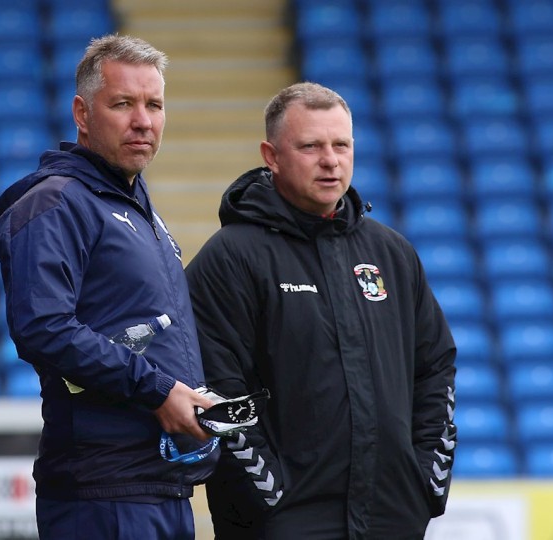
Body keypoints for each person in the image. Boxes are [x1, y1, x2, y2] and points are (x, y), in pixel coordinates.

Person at [185, 82, 458, 539]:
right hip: (282, 523)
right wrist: (270, 499)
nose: (330, 160)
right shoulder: (230, 258)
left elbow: (434, 367)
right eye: (310, 146)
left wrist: (426, 481)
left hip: (392, 517)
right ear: (271, 156)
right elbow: (216, 388)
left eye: (341, 145)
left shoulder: (392, 253)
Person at [0, 34, 218, 539]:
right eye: (122, 104)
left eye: (154, 105)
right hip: (103, 491)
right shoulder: (55, 204)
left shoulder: (136, 208)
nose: (143, 121)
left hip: (158, 483)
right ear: (82, 112)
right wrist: (157, 389)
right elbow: (43, 328)